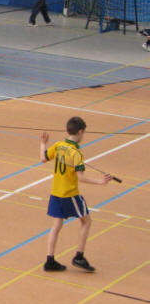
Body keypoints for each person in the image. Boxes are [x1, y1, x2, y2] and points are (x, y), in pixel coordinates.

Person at [40, 116, 113, 273]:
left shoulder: (58, 145)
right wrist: (100, 182)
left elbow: (43, 158)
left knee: (56, 226)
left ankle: (50, 261)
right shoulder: (76, 154)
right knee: (86, 221)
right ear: (80, 132)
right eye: (83, 133)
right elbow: (81, 178)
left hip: (55, 193)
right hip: (69, 194)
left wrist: (43, 144)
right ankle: (79, 256)